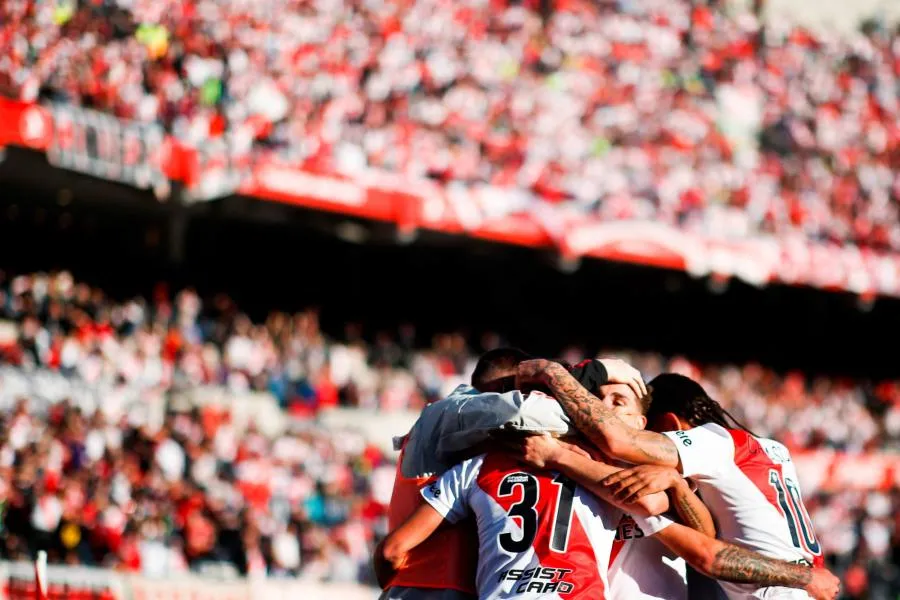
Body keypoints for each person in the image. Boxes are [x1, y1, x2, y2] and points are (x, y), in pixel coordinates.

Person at [514, 360, 838, 600]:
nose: (649, 456)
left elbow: (619, 440)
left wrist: (552, 373)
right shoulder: (770, 449)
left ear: (668, 424)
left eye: (654, 435)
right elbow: (710, 533)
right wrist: (679, 484)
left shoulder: (714, 443)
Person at [379, 349, 645, 600]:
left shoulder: (484, 455)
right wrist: (589, 374)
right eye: (524, 390)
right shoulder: (446, 414)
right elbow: (527, 411)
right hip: (430, 585)